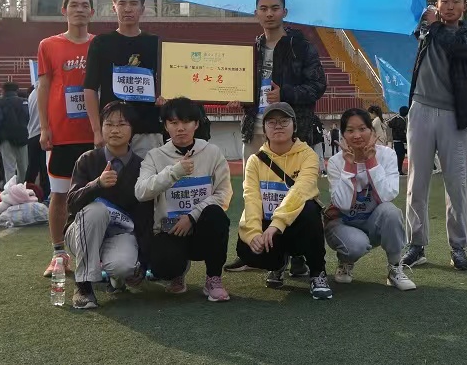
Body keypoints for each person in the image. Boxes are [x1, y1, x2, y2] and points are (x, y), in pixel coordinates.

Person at [224, 0, 327, 277]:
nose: (269, 13)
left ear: (284, 12)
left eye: (274, 8)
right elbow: (248, 88)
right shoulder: (253, 49)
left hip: (292, 133)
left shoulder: (300, 46)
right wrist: (237, 96)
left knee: (296, 193)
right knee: (257, 193)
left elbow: (318, 86)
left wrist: (286, 94)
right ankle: (260, 248)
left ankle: (298, 254)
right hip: (255, 130)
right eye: (263, 8)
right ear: (256, 13)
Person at [402, 0, 467, 272]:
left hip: (453, 114)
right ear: (436, 5)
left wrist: (434, 25)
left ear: (464, 7)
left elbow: (455, 48)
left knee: (456, 184)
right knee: (416, 182)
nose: (449, 6)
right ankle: (416, 244)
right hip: (421, 109)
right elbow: (411, 20)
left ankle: (458, 247)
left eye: (455, 1)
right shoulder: (425, 30)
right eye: (443, 1)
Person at [136, 97, 232, 302]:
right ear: (165, 126)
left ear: (196, 124)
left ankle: (213, 278)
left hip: (201, 228)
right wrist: (174, 172)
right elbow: (141, 191)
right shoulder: (155, 156)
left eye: (187, 121)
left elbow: (223, 194)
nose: (180, 128)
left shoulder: (212, 152)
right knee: (163, 266)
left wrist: (192, 216)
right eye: (174, 122)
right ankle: (176, 273)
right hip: (169, 230)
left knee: (216, 215)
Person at [233, 102, 332, 300]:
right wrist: (253, 233)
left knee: (309, 209)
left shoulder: (308, 156)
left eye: (284, 121)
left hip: (295, 225)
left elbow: (300, 191)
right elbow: (251, 198)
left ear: (294, 126)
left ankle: (317, 272)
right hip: (269, 225)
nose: (278, 126)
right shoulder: (255, 161)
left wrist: (277, 224)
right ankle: (277, 264)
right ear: (264, 129)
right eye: (271, 122)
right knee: (246, 249)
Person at [37, 0, 96, 278]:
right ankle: (59, 254)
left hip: (95, 134)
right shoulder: (48, 45)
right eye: (74, 5)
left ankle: (96, 252)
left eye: (85, 5)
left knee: (97, 194)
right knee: (59, 195)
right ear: (64, 11)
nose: (79, 9)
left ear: (92, 12)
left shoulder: (100, 45)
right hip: (62, 132)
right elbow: (44, 86)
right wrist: (44, 127)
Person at [65, 101, 146, 310]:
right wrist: (97, 184)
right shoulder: (87, 160)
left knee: (123, 266)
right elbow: (72, 204)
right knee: (96, 211)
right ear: (101, 128)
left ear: (133, 129)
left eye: (121, 124)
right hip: (81, 232)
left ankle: (116, 278)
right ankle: (83, 286)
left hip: (119, 233)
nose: (115, 130)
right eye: (109, 124)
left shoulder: (142, 166)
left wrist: (143, 260)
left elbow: (145, 214)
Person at [325, 108, 416, 291]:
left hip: (373, 222)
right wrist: (349, 165)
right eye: (350, 130)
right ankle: (345, 261)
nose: (357, 135)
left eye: (362, 129)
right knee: (356, 245)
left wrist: (371, 161)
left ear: (372, 131)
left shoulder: (387, 155)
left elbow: (387, 195)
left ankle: (395, 268)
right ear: (343, 135)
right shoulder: (336, 162)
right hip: (343, 223)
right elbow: (342, 204)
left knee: (391, 212)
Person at [83, 0, 166, 159]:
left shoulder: (156, 43)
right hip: (113, 129)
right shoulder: (101, 43)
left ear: (142, 9)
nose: (127, 9)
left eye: (133, 3)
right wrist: (97, 131)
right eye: (122, 3)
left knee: (149, 177)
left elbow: (166, 84)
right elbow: (90, 88)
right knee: (113, 176)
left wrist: (163, 97)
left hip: (148, 130)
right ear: (114, 7)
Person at [0, 82, 29, 185]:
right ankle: (22, 188)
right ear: (16, 90)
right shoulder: (24, 102)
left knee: (9, 168)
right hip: (23, 138)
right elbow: (29, 119)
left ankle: (11, 190)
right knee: (23, 168)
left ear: (3, 91)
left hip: (6, 139)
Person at [25, 84, 50, 200]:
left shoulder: (32, 94)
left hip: (32, 134)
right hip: (44, 133)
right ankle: (45, 196)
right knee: (45, 168)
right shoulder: (47, 91)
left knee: (32, 168)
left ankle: (25, 193)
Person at [387, 106, 409, 176]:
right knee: (400, 156)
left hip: (395, 140)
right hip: (400, 141)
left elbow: (390, 124)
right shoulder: (402, 121)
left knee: (399, 156)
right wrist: (405, 140)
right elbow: (401, 133)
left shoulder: (396, 119)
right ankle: (399, 170)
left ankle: (398, 170)